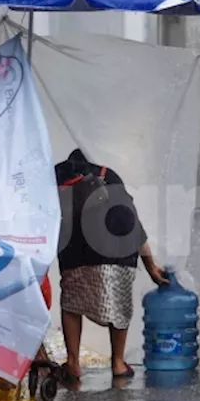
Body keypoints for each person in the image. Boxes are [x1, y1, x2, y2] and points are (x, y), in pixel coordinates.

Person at [49, 149, 168, 381]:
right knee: (119, 303)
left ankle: (72, 364)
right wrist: (151, 266)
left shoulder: (57, 177)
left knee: (72, 303)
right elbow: (133, 223)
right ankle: (118, 363)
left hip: (73, 250)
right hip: (118, 251)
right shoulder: (109, 175)